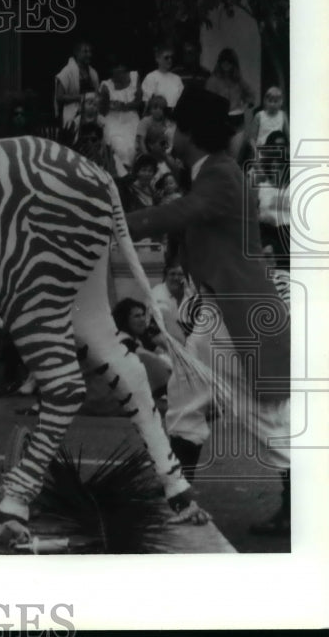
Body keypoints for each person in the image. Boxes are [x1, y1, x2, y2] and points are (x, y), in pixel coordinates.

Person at [126, 87, 291, 535]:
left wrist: (118, 223)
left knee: (262, 416)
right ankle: (178, 498)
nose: (170, 132)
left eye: (177, 125)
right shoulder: (212, 170)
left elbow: (181, 213)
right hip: (227, 310)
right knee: (188, 399)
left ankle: (180, 499)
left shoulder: (216, 175)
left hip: (235, 313)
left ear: (192, 132)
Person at [206, 47, 256, 162]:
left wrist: (246, 104)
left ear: (234, 64)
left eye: (229, 62)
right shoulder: (212, 81)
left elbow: (251, 95)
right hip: (220, 121)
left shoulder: (238, 81)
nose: (226, 65)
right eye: (224, 61)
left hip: (237, 121)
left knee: (234, 158)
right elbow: (207, 100)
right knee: (220, 158)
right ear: (219, 63)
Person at [255, 131, 291, 270]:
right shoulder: (261, 186)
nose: (277, 170)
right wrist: (260, 217)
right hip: (267, 237)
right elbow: (248, 215)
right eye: (273, 167)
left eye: (281, 167)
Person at [99, 57, 141, 175]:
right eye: (115, 69)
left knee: (133, 146)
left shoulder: (134, 77)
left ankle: (135, 174)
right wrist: (107, 102)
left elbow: (138, 102)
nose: (119, 71)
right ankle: (122, 175)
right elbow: (102, 111)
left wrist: (124, 106)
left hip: (131, 118)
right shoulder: (106, 86)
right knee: (117, 145)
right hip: (113, 120)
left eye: (121, 68)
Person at [53, 39, 99, 129]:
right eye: (85, 52)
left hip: (91, 112)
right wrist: (81, 97)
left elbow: (97, 93)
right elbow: (59, 97)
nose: (89, 55)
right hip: (72, 112)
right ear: (76, 53)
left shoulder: (92, 72)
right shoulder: (67, 72)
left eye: (90, 52)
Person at [62, 91, 111, 172]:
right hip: (81, 151)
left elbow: (106, 141)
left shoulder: (102, 121)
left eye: (95, 104)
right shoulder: (75, 122)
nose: (92, 106)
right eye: (89, 103)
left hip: (97, 151)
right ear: (82, 105)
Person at [140, 41, 184, 115]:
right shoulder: (151, 77)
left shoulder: (177, 79)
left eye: (171, 57)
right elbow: (148, 103)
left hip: (174, 117)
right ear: (157, 58)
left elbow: (180, 101)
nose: (170, 60)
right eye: (166, 57)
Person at [249, 86, 289, 153]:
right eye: (270, 101)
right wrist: (255, 152)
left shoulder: (283, 115)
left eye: (275, 101)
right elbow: (252, 139)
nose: (272, 104)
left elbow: (288, 136)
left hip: (277, 150)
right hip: (261, 150)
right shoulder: (259, 116)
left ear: (280, 102)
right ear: (265, 101)